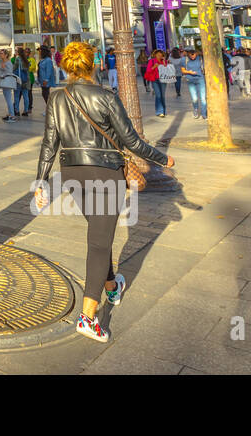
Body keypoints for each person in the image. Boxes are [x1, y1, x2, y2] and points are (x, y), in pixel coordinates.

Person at [34, 41, 174, 343]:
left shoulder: (57, 97)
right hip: (105, 173)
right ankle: (88, 318)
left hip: (72, 173)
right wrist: (164, 159)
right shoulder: (106, 97)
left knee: (100, 233)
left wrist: (41, 182)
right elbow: (133, 142)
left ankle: (112, 287)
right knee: (99, 243)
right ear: (94, 63)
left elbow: (49, 143)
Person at [181, 47, 206, 119]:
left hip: (200, 79)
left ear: (196, 53)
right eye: (190, 53)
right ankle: (195, 109)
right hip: (190, 80)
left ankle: (204, 114)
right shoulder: (184, 59)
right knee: (194, 98)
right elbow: (183, 70)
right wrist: (189, 72)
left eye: (193, 53)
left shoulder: (200, 58)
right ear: (188, 53)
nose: (192, 55)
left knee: (203, 98)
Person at [0, 49, 18, 121]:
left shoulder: (8, 62)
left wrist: (3, 69)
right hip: (4, 82)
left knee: (8, 99)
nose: (0, 55)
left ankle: (12, 115)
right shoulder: (3, 62)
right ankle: (10, 114)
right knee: (7, 99)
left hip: (7, 82)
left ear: (6, 55)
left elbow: (9, 72)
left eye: (1, 53)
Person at [145, 49, 167, 117]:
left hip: (163, 80)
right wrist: (154, 66)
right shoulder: (151, 61)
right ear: (155, 55)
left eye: (161, 55)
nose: (159, 56)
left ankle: (164, 110)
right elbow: (148, 70)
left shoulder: (164, 61)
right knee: (158, 95)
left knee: (162, 96)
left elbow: (167, 70)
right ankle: (159, 112)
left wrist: (163, 62)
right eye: (158, 55)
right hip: (155, 80)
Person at [17, 48, 35, 116]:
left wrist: (25, 67)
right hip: (21, 79)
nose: (26, 53)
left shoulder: (32, 59)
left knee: (29, 93)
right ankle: (16, 108)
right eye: (25, 52)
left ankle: (29, 107)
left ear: (29, 53)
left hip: (29, 79)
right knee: (19, 94)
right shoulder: (20, 59)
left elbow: (33, 68)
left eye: (27, 52)